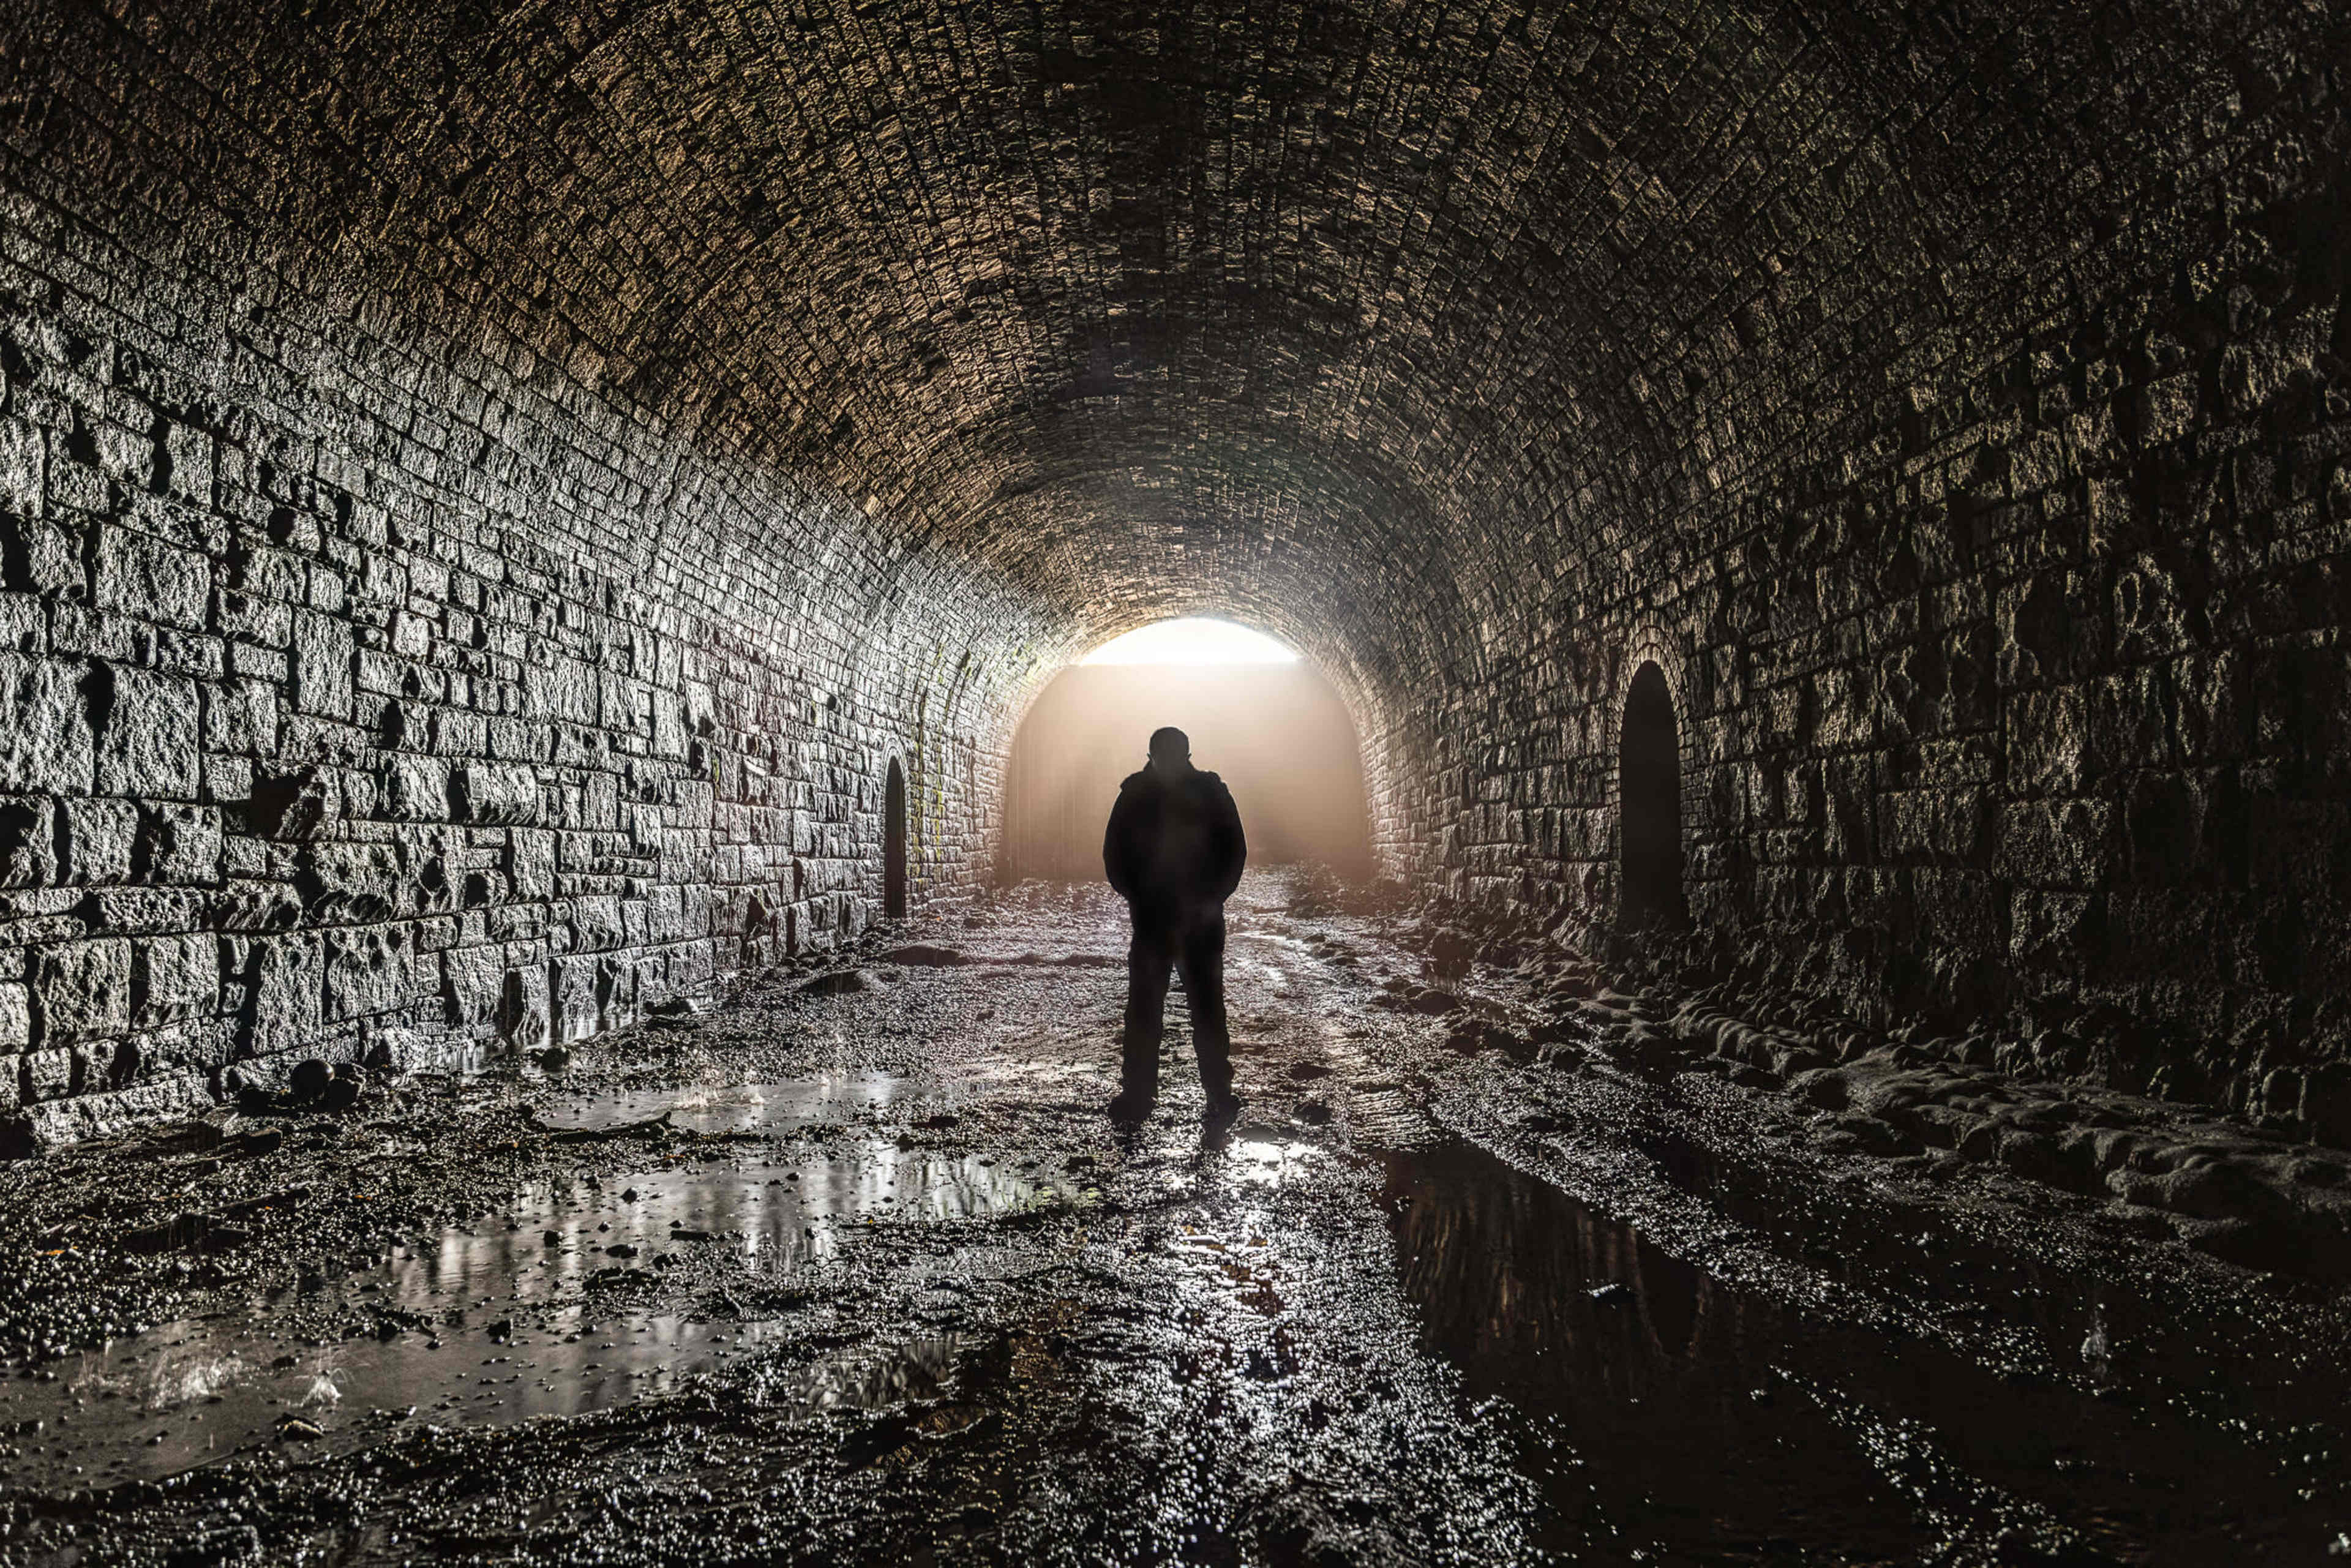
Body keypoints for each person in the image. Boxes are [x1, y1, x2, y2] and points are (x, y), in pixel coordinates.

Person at [1102, 726, 1247, 1123]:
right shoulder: (1199, 793)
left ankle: (1210, 1092)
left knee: (1199, 1011)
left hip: (1187, 922)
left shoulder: (1141, 795)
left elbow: (1234, 851)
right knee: (1155, 1011)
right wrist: (1147, 897)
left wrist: (1208, 899)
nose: (1166, 763)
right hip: (1163, 922)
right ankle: (1147, 1094)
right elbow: (1115, 857)